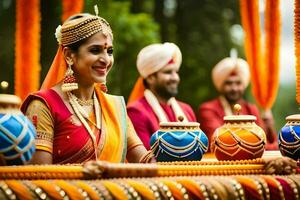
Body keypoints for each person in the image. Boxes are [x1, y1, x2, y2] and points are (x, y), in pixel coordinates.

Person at [21, 13, 153, 164]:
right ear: (69, 55)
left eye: (109, 51)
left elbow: (144, 161)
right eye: (95, 50)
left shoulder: (114, 108)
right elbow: (40, 176)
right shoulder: (43, 106)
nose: (105, 60)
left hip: (113, 188)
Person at [127, 43, 197, 150]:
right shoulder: (136, 112)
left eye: (176, 72)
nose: (175, 78)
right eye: (168, 72)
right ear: (150, 78)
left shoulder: (186, 110)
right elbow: (145, 159)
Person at [198, 57, 277, 150]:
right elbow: (220, 142)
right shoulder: (208, 109)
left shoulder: (251, 109)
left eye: (238, 83)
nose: (234, 88)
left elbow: (264, 142)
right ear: (221, 85)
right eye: (229, 83)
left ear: (244, 85)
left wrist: (270, 128)